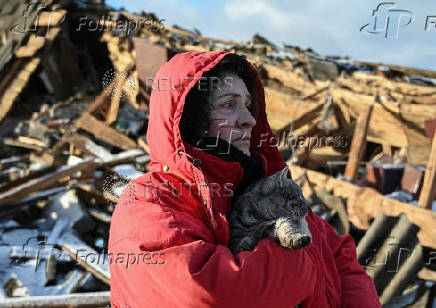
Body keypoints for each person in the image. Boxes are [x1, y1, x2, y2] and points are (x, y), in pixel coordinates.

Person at [108, 51, 381, 308]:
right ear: (190, 119)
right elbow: (209, 294)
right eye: (228, 105)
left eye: (248, 106)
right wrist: (301, 260)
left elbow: (341, 257)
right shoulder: (149, 202)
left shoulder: (265, 190)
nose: (248, 119)